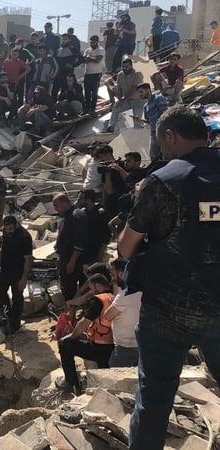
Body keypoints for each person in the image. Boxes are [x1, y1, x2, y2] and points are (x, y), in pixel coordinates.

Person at [117, 106, 220, 449]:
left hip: (168, 307)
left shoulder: (163, 180)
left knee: (154, 398)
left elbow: (126, 249)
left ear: (170, 136)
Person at [56, 274, 115, 395]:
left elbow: (84, 323)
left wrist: (72, 336)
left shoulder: (98, 301)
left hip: (100, 349)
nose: (91, 292)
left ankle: (71, 383)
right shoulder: (113, 297)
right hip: (112, 345)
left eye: (92, 288)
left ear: (98, 286)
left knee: (65, 344)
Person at [0, 216, 32, 335]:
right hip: (5, 268)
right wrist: (0, 260)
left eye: (10, 229)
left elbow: (28, 259)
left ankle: (15, 324)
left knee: (17, 296)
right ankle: (7, 316)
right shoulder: (6, 233)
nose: (8, 231)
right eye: (6, 229)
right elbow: (4, 246)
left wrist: (24, 278)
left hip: (18, 270)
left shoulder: (24, 237)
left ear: (16, 225)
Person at [101, 258, 141, 368]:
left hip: (125, 348)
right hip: (141, 344)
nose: (112, 278)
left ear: (122, 274)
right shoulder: (142, 289)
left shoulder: (124, 295)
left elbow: (107, 317)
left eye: (113, 275)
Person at [53, 193, 89, 299]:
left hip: (74, 261)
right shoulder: (66, 217)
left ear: (65, 203)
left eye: (56, 205)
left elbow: (80, 241)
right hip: (66, 259)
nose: (55, 209)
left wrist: (72, 261)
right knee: (66, 288)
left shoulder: (76, 215)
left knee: (71, 289)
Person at [104, 58, 144, 133]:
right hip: (127, 100)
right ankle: (111, 127)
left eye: (127, 67)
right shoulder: (120, 75)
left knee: (137, 122)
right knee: (115, 108)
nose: (125, 69)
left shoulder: (138, 74)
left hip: (138, 101)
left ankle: (139, 134)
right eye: (123, 67)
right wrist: (119, 100)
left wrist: (123, 99)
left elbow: (134, 89)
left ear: (131, 66)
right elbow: (119, 88)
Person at [137, 82, 169, 161]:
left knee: (166, 155)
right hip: (154, 133)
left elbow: (165, 114)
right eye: (139, 93)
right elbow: (149, 121)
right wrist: (138, 119)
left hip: (163, 131)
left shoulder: (159, 98)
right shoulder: (146, 106)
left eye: (141, 92)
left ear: (148, 90)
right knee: (153, 157)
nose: (140, 94)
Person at [2, 49, 30, 113]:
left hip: (15, 82)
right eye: (13, 54)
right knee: (8, 98)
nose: (14, 56)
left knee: (16, 99)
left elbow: (28, 69)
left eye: (16, 55)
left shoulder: (20, 62)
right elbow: (3, 71)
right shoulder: (6, 61)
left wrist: (20, 77)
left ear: (18, 55)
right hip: (7, 82)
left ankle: (17, 113)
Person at [83, 36, 104, 115]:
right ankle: (86, 107)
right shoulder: (87, 50)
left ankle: (92, 108)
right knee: (87, 92)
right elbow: (84, 59)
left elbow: (97, 60)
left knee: (94, 92)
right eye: (91, 42)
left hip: (96, 74)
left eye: (93, 42)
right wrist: (91, 58)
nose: (92, 44)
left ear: (97, 42)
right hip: (87, 73)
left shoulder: (100, 50)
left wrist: (89, 58)